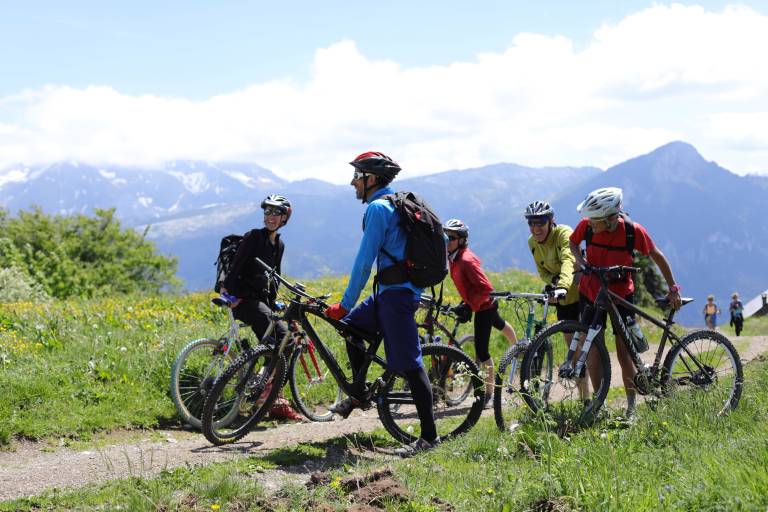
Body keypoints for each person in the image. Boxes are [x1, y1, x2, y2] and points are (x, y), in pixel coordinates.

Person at [325, 151, 438, 457]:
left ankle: (429, 437)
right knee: (352, 328)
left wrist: (346, 302)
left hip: (397, 295)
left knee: (411, 365)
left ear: (370, 179)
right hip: (390, 292)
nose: (353, 183)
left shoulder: (378, 208)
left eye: (357, 177)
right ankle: (360, 394)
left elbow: (364, 262)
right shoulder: (393, 203)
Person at [568, 187, 682, 419]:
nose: (590, 224)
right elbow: (573, 243)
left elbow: (657, 256)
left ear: (611, 219)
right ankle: (599, 405)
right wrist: (580, 261)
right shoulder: (587, 225)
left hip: (621, 295)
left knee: (624, 352)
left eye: (596, 220)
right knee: (593, 350)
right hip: (591, 293)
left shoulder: (632, 231)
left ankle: (631, 408)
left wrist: (673, 288)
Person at [220, 194, 303, 422]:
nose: (270, 217)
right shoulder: (255, 237)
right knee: (282, 339)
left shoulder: (279, 244)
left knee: (283, 341)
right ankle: (266, 394)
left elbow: (274, 278)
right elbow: (237, 266)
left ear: (285, 217)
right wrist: (229, 292)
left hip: (261, 303)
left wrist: (278, 307)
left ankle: (266, 392)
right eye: (267, 212)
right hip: (244, 301)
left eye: (276, 213)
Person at [443, 218, 518, 406]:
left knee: (482, 352)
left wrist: (469, 306)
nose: (446, 241)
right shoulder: (453, 256)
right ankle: (518, 348)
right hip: (479, 304)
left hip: (484, 306)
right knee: (499, 323)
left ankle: (489, 393)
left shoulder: (466, 260)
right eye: (444, 236)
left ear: (461, 240)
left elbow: (486, 289)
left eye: (450, 237)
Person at [524, 201, 588, 399]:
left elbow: (569, 262)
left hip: (583, 293)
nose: (536, 228)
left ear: (550, 221)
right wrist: (553, 282)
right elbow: (542, 271)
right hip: (564, 300)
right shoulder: (532, 243)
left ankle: (600, 399)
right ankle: (585, 398)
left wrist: (562, 286)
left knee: (589, 350)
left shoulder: (563, 233)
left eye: (540, 223)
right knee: (574, 351)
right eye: (531, 223)